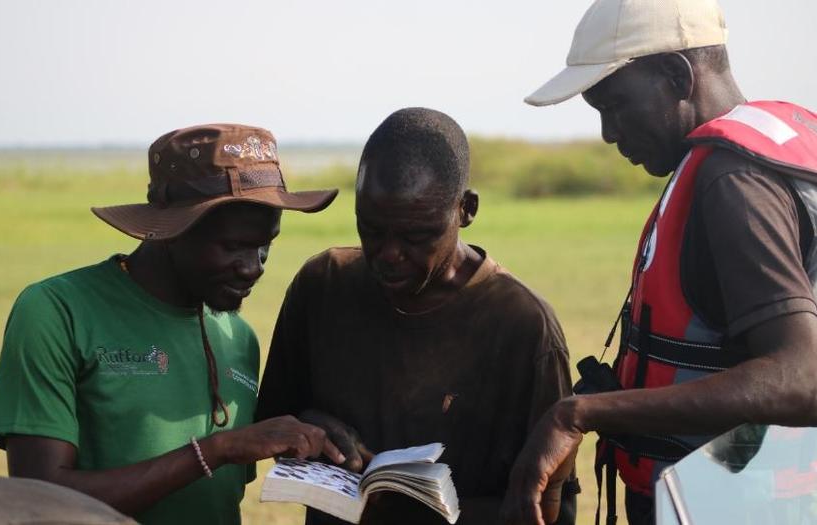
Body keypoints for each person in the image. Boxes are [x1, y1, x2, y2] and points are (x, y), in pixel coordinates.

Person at [502, 1, 817, 524]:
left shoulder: (733, 179)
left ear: (676, 75)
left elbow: (801, 376)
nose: (607, 133)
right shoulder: (758, 150)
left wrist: (577, 415)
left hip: (737, 506)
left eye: (614, 105)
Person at [0, 124, 348, 525]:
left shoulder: (238, 337)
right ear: (173, 229)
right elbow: (41, 496)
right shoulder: (56, 312)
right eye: (233, 246)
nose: (252, 268)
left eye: (265, 247)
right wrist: (216, 449)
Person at [256, 107, 579, 525]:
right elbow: (271, 425)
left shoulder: (521, 326)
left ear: (466, 210)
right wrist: (314, 427)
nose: (389, 254)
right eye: (371, 230)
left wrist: (410, 512)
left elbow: (553, 511)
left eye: (417, 236)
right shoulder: (323, 286)